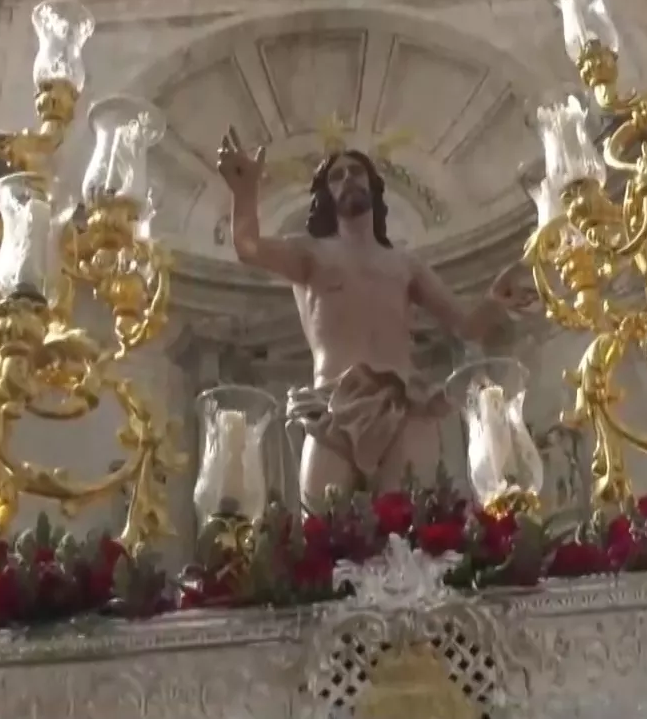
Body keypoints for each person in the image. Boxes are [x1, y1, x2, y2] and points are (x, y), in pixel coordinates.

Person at [215, 128, 536, 506]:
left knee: (407, 526)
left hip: (404, 404)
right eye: (336, 176)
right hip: (334, 406)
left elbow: (465, 326)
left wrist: (495, 302)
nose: (348, 178)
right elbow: (249, 247)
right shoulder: (310, 253)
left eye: (356, 171)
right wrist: (244, 193)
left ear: (373, 185)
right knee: (321, 521)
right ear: (326, 195)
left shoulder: (404, 265)